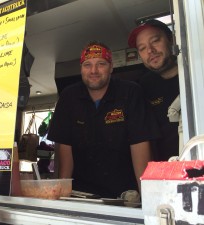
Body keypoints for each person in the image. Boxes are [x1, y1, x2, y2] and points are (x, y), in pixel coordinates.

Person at [47, 41, 159, 198]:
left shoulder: (130, 92)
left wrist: (149, 199)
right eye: (87, 65)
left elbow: (140, 145)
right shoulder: (68, 97)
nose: (93, 70)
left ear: (111, 67)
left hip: (125, 196)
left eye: (101, 64)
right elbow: (65, 150)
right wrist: (62, 198)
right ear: (81, 69)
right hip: (80, 195)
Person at [128, 19, 180, 161]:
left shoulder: (194, 72)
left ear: (171, 39)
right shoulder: (143, 86)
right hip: (166, 173)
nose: (150, 51)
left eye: (155, 41)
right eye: (142, 48)